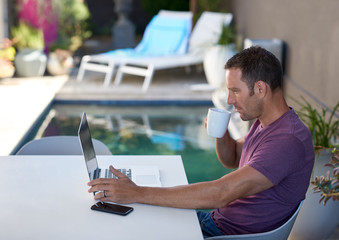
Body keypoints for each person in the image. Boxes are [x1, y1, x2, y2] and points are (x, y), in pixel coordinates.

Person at [87, 46, 314, 238]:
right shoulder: (266, 123)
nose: (229, 100)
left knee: (132, 225)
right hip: (218, 221)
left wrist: (138, 193)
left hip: (226, 234)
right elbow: (232, 158)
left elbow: (221, 192)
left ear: (260, 89)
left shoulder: (287, 140)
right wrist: (221, 132)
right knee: (133, 218)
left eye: (235, 91)